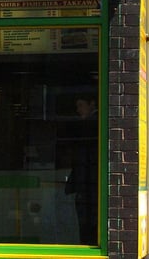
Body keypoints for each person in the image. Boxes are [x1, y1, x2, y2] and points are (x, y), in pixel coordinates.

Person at [65, 96, 99, 244]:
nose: (78, 110)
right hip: (89, 184)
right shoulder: (92, 124)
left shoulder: (90, 125)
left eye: (81, 105)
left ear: (92, 104)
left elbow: (83, 159)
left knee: (87, 225)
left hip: (88, 185)